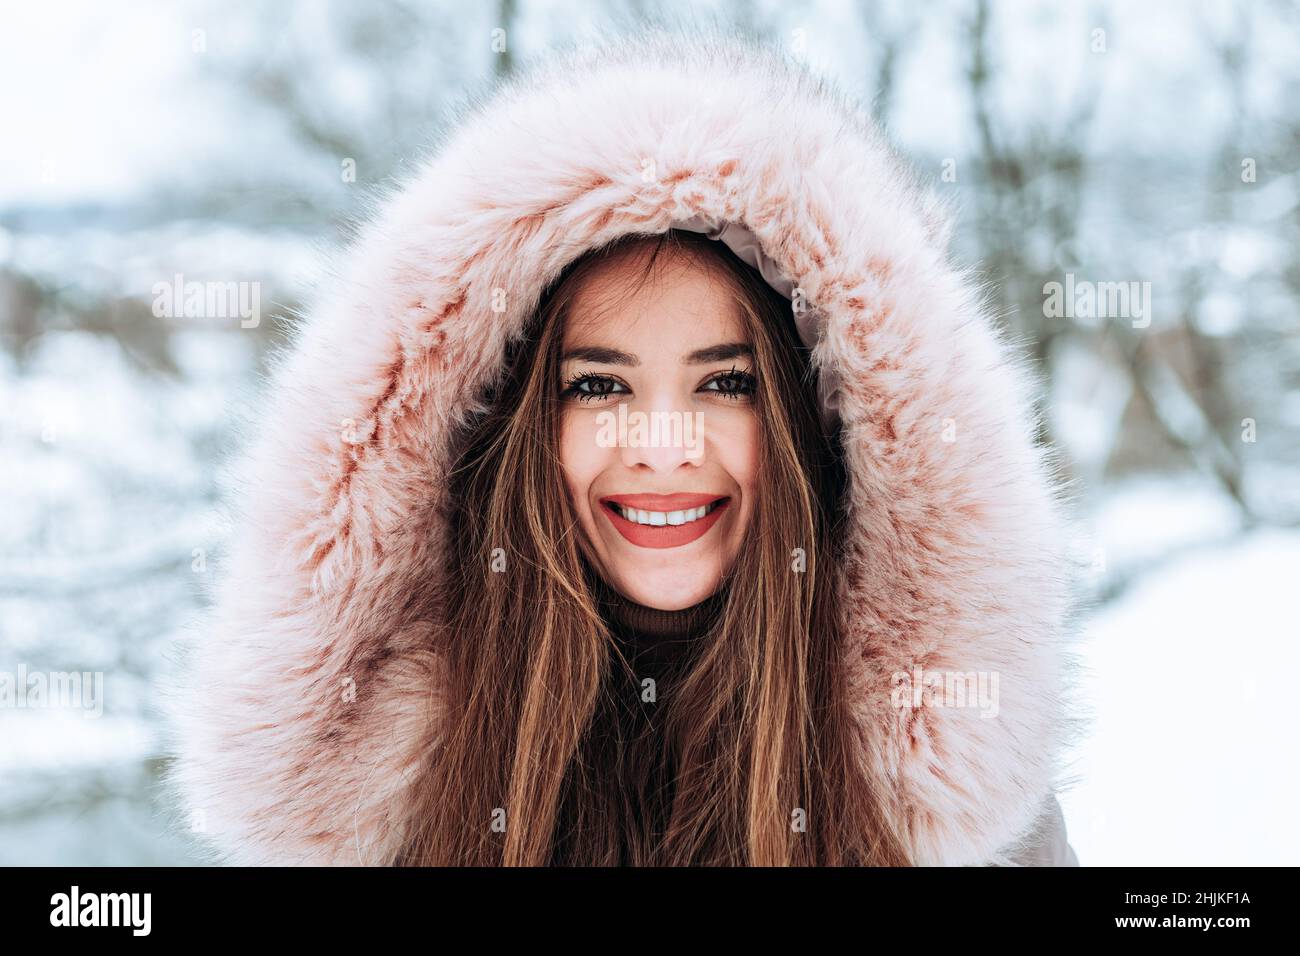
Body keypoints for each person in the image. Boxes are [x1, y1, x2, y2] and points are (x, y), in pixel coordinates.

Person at [164, 25, 1081, 867]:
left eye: (726, 383)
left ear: (814, 424)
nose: (663, 446)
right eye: (598, 385)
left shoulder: (937, 806)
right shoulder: (402, 794)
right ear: (517, 431)